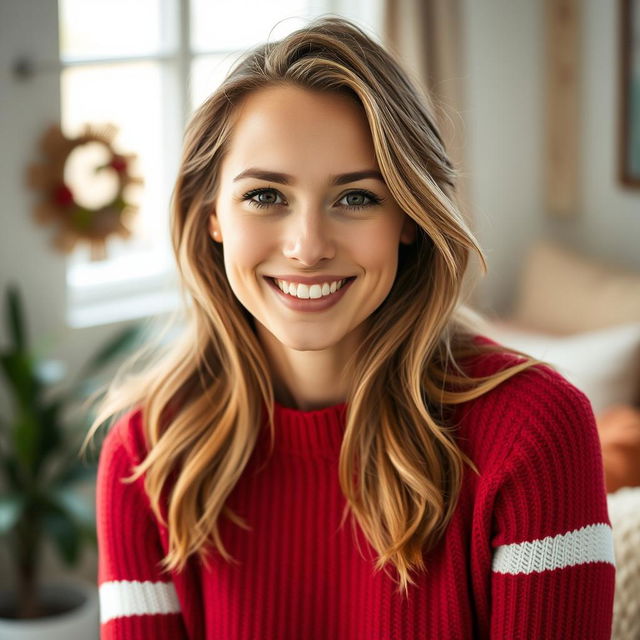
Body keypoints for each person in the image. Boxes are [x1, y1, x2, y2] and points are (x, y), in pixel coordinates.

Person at [88, 15, 616, 639]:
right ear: (210, 217)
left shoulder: (536, 432)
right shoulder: (147, 457)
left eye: (356, 197)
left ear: (410, 217)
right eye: (265, 196)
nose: (308, 247)